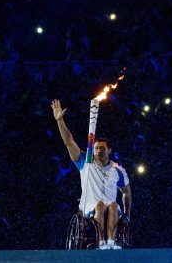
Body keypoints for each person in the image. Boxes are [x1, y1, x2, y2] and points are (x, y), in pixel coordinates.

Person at [51, 99, 131, 250]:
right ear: (92, 151)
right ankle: (101, 243)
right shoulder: (85, 162)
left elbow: (126, 191)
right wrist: (60, 121)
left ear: (109, 150)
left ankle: (111, 242)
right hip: (89, 206)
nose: (99, 150)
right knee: (100, 205)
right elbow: (69, 141)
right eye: (96, 148)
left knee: (112, 205)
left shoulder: (118, 170)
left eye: (102, 148)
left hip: (112, 207)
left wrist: (127, 214)